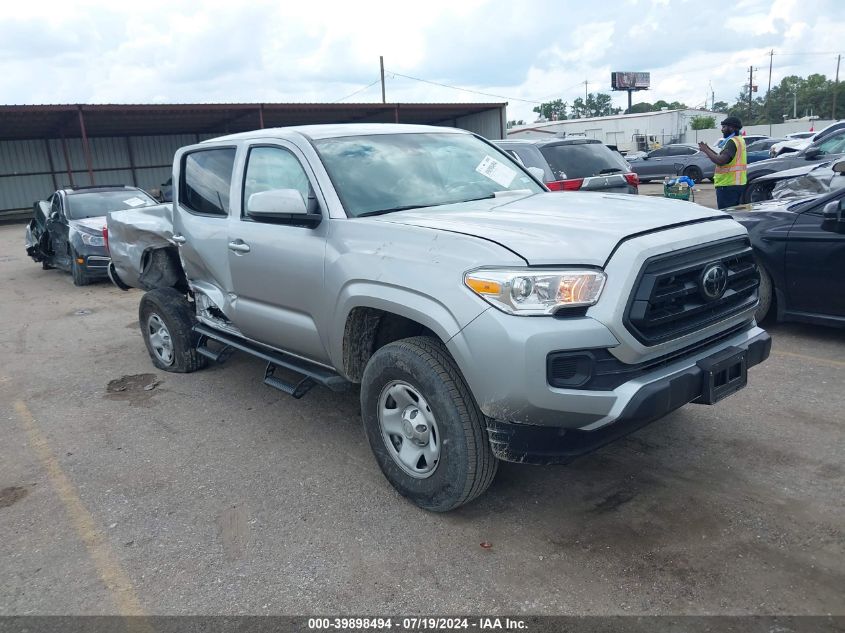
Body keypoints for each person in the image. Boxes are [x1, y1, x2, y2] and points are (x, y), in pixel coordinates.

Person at [698, 116, 747, 209]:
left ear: (731, 128)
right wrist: (708, 149)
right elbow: (723, 157)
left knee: (727, 213)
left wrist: (706, 150)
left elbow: (721, 161)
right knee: (735, 214)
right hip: (737, 184)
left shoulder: (732, 142)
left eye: (724, 127)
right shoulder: (739, 140)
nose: (722, 129)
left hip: (728, 185)